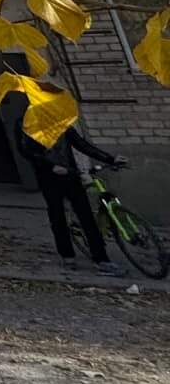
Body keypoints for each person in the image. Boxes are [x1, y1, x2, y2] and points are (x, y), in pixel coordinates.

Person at [19, 115, 126, 274]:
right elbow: (26, 150)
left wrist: (109, 159)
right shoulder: (27, 123)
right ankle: (67, 255)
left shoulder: (62, 124)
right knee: (57, 216)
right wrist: (49, 166)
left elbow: (81, 144)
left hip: (70, 174)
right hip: (49, 178)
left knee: (86, 216)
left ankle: (101, 259)